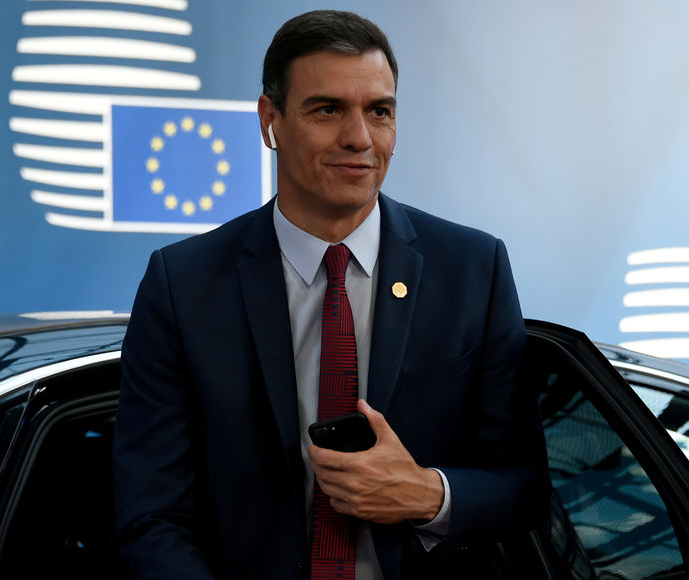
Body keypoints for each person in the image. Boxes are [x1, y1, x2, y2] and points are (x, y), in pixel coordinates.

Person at [114, 9, 549, 580]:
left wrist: (427, 495)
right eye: (327, 109)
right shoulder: (184, 283)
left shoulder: (473, 269)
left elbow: (527, 490)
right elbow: (151, 514)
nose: (359, 138)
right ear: (270, 120)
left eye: (380, 111)